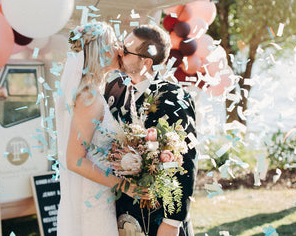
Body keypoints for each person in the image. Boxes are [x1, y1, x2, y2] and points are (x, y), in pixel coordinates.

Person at [104, 24, 198, 236]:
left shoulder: (175, 98)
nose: (120, 52)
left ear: (146, 62)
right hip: (120, 213)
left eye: (127, 50)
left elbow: (186, 160)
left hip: (159, 218)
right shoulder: (114, 90)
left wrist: (172, 222)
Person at [55, 22, 145, 236]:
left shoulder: (93, 92)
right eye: (114, 43)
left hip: (98, 194)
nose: (120, 48)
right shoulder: (90, 98)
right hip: (92, 201)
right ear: (102, 51)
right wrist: (125, 186)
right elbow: (75, 160)